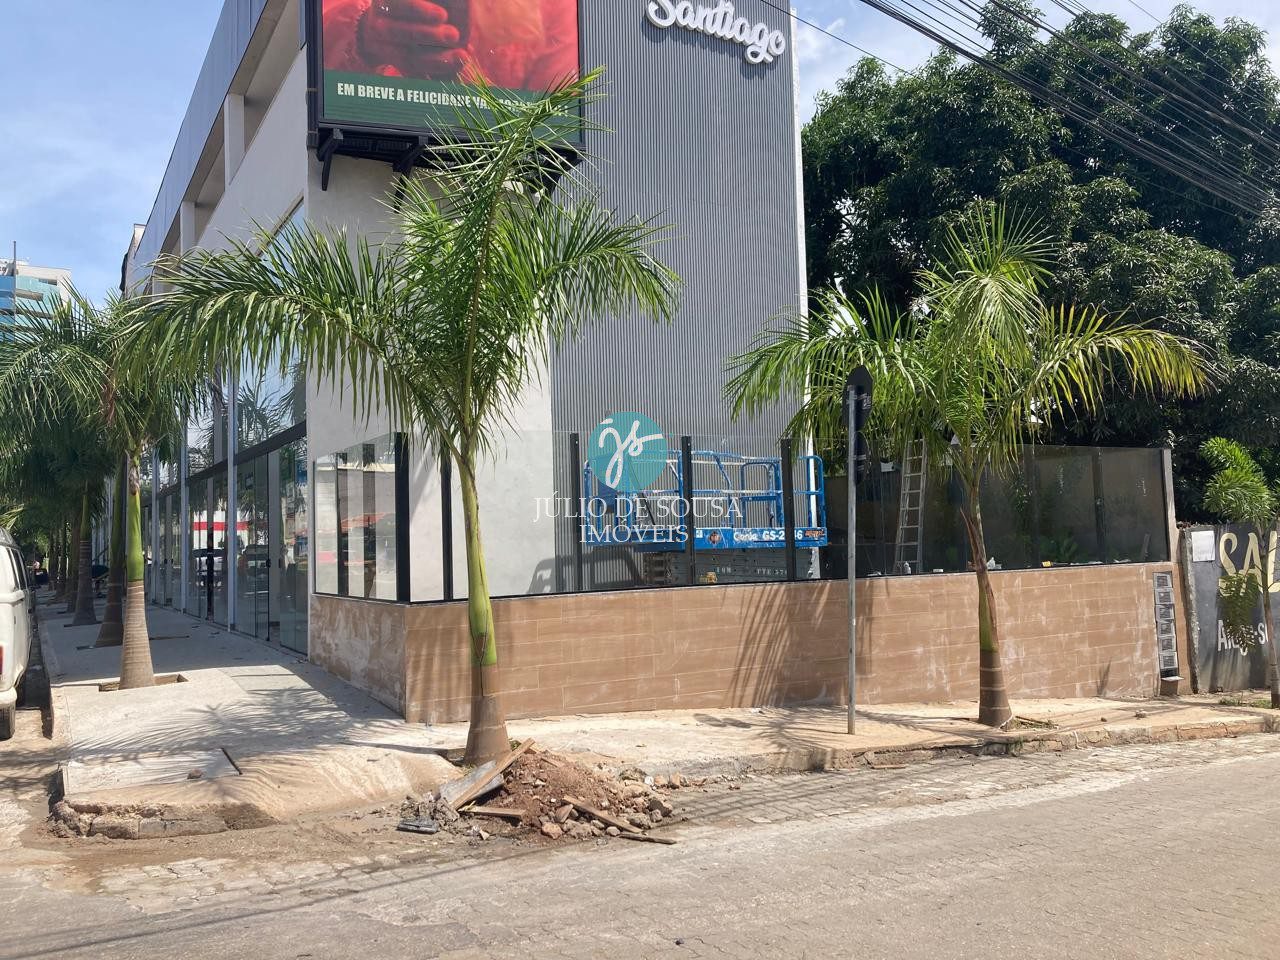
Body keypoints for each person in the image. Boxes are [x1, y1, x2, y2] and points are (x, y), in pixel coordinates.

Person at [322, 0, 579, 92]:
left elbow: (551, 131)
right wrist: (364, 36)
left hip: (487, 183)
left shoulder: (557, 9)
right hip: (368, 163)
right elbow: (311, 55)